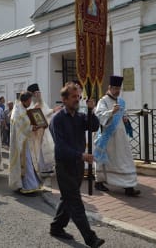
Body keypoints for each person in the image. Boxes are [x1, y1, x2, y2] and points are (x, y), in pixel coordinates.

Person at [49, 82, 104, 248]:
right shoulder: (57, 120)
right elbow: (61, 147)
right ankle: (90, 238)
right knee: (75, 201)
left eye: (78, 97)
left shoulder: (81, 116)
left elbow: (94, 126)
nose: (77, 100)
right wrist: (80, 155)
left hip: (78, 165)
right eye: (73, 97)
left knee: (68, 198)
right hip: (65, 165)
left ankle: (56, 227)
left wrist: (91, 110)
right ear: (64, 99)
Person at [94, 75, 140, 196]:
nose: (117, 91)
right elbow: (99, 115)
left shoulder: (121, 101)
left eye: (119, 88)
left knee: (124, 159)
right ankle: (99, 181)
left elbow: (123, 114)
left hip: (120, 137)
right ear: (109, 87)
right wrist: (111, 112)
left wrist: (125, 119)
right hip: (107, 137)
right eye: (115, 88)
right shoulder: (102, 101)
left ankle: (129, 186)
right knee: (106, 160)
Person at [8, 91, 42, 194]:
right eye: (30, 100)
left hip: (25, 141)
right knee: (25, 164)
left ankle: (29, 185)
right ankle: (25, 186)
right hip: (19, 143)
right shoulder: (17, 111)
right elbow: (20, 126)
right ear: (25, 101)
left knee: (28, 164)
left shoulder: (22, 109)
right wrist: (32, 127)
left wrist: (34, 126)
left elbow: (26, 123)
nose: (31, 102)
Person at [28, 83, 62, 177]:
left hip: (45, 129)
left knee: (48, 148)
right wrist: (35, 109)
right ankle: (41, 169)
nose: (39, 95)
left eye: (39, 93)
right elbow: (30, 114)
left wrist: (54, 110)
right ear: (33, 95)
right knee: (40, 150)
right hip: (37, 131)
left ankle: (48, 168)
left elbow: (46, 112)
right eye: (36, 93)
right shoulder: (30, 104)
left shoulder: (43, 102)